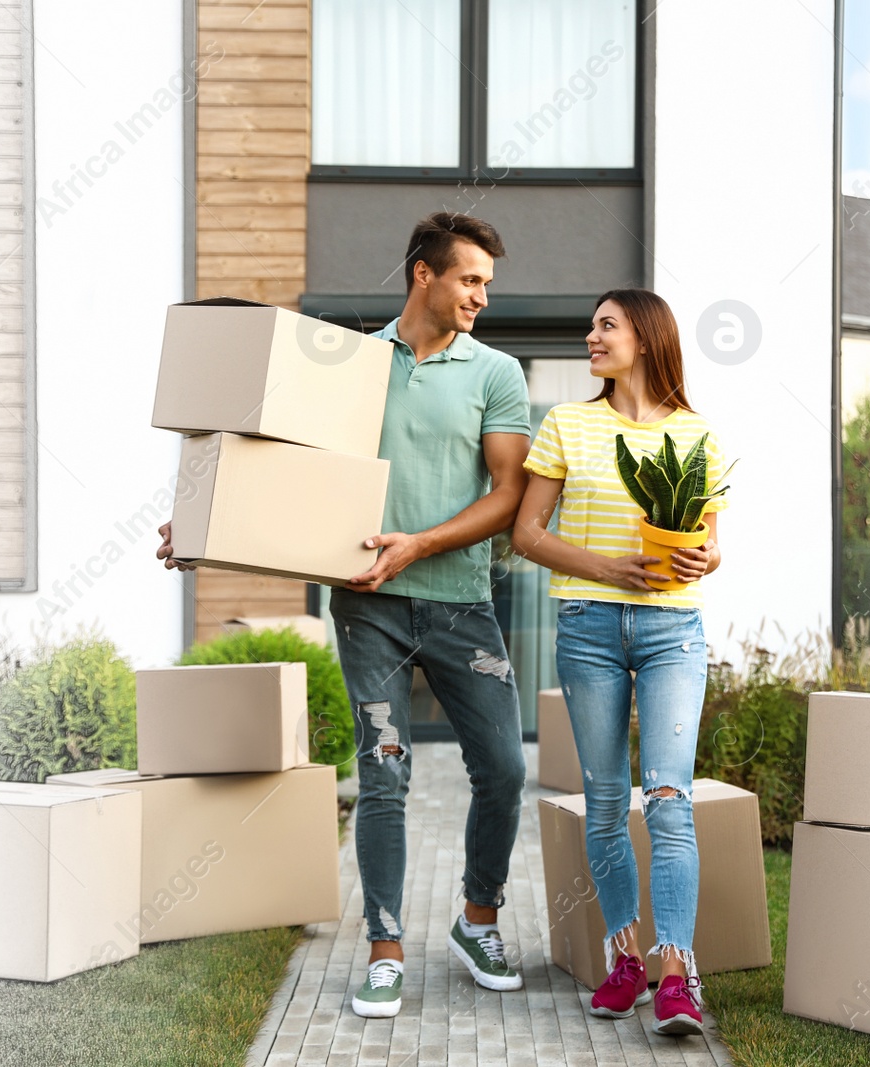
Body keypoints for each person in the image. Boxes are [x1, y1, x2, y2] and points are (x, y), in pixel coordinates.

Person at [157, 212, 532, 1019]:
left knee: (503, 768)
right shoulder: (355, 366)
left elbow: (506, 497)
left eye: (486, 286)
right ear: (423, 274)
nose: (480, 297)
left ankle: (479, 918)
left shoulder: (496, 373)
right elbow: (273, 462)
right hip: (370, 608)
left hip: (463, 604)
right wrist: (199, 526)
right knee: (386, 772)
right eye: (469, 280)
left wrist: (418, 544)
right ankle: (387, 948)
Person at [511, 288, 727, 1037]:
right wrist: (610, 570)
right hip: (588, 626)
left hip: (673, 630)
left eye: (607, 325)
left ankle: (675, 973)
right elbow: (527, 534)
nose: (591, 335)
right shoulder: (568, 424)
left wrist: (708, 553)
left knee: (668, 794)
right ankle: (625, 958)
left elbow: (708, 541)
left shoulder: (698, 432)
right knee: (605, 801)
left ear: (647, 336)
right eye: (593, 325)